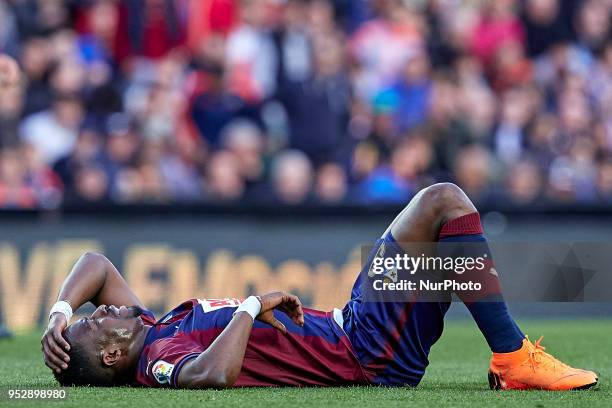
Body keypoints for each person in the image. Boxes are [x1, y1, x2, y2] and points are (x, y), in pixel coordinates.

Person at [41, 183, 598, 390]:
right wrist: (253, 304)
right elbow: (213, 375)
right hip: (364, 350)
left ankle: (511, 356)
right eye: (96, 321)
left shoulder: (153, 329)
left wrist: (60, 316)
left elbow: (94, 262)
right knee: (442, 204)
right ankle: (512, 357)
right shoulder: (157, 357)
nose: (103, 309)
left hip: (355, 327)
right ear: (112, 354)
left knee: (452, 246)